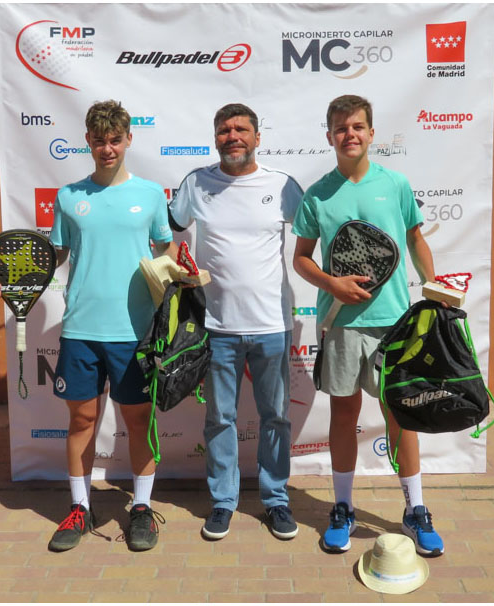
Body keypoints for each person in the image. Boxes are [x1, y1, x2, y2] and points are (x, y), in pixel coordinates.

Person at [0, 100, 176, 552]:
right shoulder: (69, 197)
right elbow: (54, 256)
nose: (108, 148)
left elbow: (165, 248)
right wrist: (11, 282)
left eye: (116, 140)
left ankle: (141, 508)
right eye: (100, 140)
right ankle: (79, 508)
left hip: (135, 331)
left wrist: (175, 271)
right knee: (82, 420)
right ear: (88, 141)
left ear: (129, 140)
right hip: (81, 331)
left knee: (139, 421)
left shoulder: (151, 194)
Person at [291, 94, 445, 556]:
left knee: (401, 416)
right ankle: (343, 507)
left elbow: (415, 240)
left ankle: (416, 509)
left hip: (394, 324)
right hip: (341, 325)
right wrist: (331, 284)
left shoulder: (395, 184)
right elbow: (301, 258)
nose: (350, 134)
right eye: (341, 128)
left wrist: (436, 290)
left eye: (357, 126)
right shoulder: (317, 194)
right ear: (329, 136)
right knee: (344, 415)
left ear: (372, 133)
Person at [168, 103, 303, 541]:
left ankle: (276, 500)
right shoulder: (196, 183)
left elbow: (314, 232)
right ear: (215, 138)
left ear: (257, 137)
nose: (233, 136)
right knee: (220, 419)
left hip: (272, 325)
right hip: (215, 327)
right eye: (224, 130)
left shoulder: (282, 185)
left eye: (241, 129)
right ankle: (223, 502)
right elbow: (167, 230)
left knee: (276, 417)